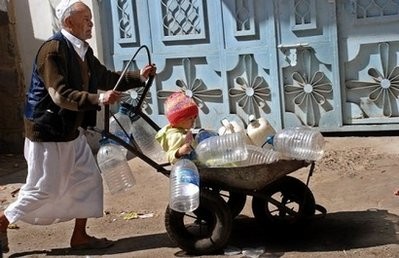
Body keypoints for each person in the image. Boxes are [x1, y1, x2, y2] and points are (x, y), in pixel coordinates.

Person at [0, 0, 156, 253]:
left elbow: (104, 77)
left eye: (91, 19)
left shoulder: (82, 50)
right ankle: (2, 221)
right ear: (69, 22)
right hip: (48, 131)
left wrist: (138, 76)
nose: (91, 23)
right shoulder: (53, 51)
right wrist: (99, 99)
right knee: (43, 189)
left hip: (71, 131)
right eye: (86, 19)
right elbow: (60, 95)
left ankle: (80, 237)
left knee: (88, 179)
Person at [155, 91, 199, 164]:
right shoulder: (176, 137)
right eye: (190, 118)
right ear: (180, 120)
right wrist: (179, 152)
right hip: (184, 167)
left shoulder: (180, 130)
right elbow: (169, 157)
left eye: (195, 117)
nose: (194, 120)